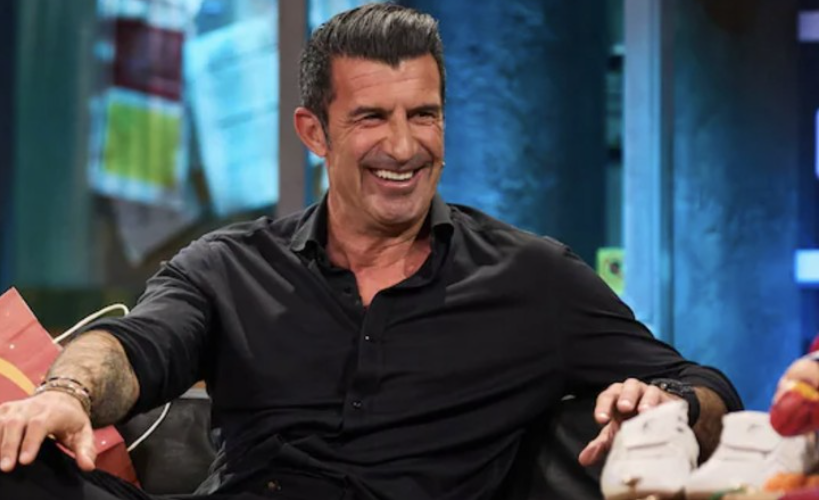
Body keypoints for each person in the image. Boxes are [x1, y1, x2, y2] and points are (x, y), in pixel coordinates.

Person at [0, 4, 742, 500]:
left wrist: (674, 406)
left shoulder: (530, 276)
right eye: (371, 118)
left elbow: (705, 385)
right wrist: (65, 396)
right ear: (313, 132)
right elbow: (134, 347)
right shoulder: (227, 266)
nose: (403, 146)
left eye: (424, 115)